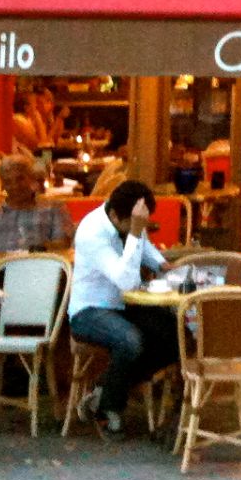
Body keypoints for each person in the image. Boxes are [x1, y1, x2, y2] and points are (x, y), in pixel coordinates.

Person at [69, 180, 174, 434]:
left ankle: (105, 388)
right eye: (135, 223)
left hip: (123, 305)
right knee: (130, 340)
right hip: (89, 310)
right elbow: (126, 280)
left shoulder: (132, 220)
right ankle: (108, 411)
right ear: (115, 215)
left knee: (173, 333)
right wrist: (136, 232)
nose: (138, 228)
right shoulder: (92, 232)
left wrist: (163, 266)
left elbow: (143, 247)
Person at [0, 156, 75, 255]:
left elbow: (63, 246)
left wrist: (32, 251)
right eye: (8, 181)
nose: (15, 186)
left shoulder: (54, 209)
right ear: (3, 185)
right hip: (0, 269)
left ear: (32, 179)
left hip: (42, 267)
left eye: (20, 179)